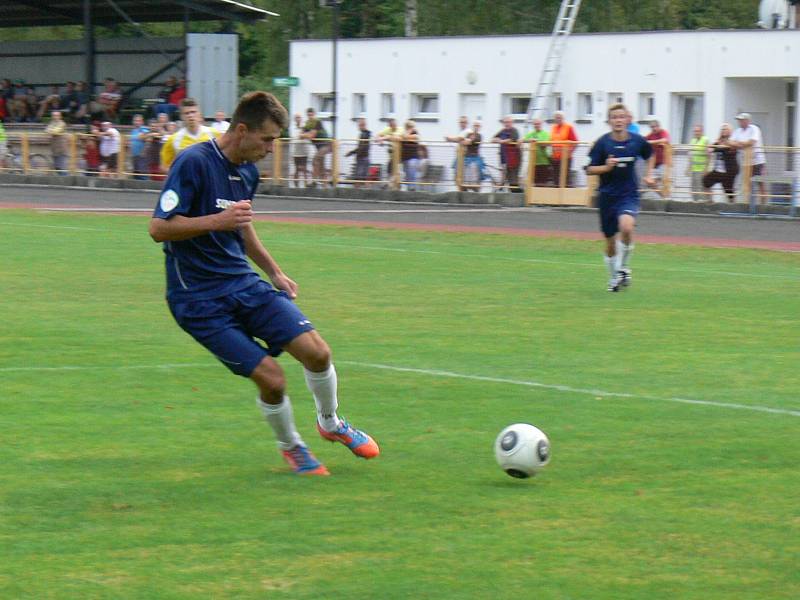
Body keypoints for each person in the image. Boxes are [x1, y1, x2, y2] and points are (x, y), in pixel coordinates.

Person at [148, 91, 379, 475]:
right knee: (273, 378)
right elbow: (158, 228)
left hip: (242, 283)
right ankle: (293, 448)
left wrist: (274, 271)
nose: (272, 149)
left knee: (318, 353)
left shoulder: (249, 172)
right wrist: (214, 222)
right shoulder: (193, 163)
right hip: (198, 299)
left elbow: (242, 226)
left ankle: (331, 423)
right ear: (242, 130)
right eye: (268, 139)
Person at [586, 103, 654, 293]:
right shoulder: (602, 143)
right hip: (607, 196)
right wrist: (606, 167)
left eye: (621, 117)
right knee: (610, 241)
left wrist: (649, 175)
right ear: (609, 121)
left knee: (626, 226)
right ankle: (614, 277)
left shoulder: (637, 141)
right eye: (614, 117)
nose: (618, 120)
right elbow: (589, 168)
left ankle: (623, 268)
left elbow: (650, 155)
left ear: (627, 120)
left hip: (628, 194)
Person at [160, 98, 217, 171]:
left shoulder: (214, 134)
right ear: (181, 116)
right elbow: (164, 166)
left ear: (199, 114)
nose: (190, 115)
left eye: (193, 112)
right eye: (186, 113)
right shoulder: (174, 139)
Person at [729, 112, 767, 204]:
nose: (740, 122)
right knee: (747, 184)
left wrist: (739, 144)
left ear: (748, 121)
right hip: (746, 161)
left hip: (758, 161)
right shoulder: (738, 131)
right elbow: (730, 142)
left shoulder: (754, 129)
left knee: (761, 183)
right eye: (739, 120)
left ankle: (763, 205)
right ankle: (749, 204)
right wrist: (742, 145)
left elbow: (752, 142)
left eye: (742, 120)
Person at [702, 123, 739, 203]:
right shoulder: (718, 142)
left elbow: (726, 148)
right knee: (706, 181)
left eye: (725, 129)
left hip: (729, 171)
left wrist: (714, 149)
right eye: (722, 129)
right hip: (718, 170)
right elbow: (710, 148)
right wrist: (710, 148)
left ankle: (733, 204)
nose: (723, 130)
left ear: (729, 131)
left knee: (728, 189)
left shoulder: (732, 141)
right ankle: (710, 201)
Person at [301, 108, 331, 186]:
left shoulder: (317, 121)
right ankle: (325, 186)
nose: (310, 116)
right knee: (321, 166)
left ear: (314, 114)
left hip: (326, 145)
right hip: (319, 147)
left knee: (315, 160)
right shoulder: (308, 123)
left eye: (311, 114)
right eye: (308, 115)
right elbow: (300, 135)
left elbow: (312, 136)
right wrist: (306, 134)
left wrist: (306, 135)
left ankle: (314, 182)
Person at [491, 116, 522, 192]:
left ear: (512, 123)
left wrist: (502, 141)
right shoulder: (502, 131)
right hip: (504, 157)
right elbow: (493, 139)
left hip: (513, 159)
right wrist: (498, 139)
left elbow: (513, 139)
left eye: (508, 122)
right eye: (505, 122)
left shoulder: (514, 130)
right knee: (506, 177)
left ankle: (518, 193)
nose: (507, 124)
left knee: (513, 178)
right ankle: (503, 190)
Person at [550, 111, 578, 187]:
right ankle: (556, 195)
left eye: (559, 117)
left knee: (565, 178)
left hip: (565, 158)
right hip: (555, 158)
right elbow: (551, 141)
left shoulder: (569, 127)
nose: (558, 119)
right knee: (556, 178)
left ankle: (567, 196)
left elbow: (575, 142)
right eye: (556, 118)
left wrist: (569, 153)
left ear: (563, 118)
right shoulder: (553, 128)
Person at [523, 118, 553, 187]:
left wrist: (536, 141)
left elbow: (544, 145)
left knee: (543, 183)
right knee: (535, 183)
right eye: (535, 124)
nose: (536, 125)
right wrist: (526, 140)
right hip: (533, 163)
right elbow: (523, 139)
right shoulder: (531, 134)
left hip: (544, 162)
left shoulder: (545, 134)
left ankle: (543, 197)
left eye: (538, 124)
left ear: (541, 124)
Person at [462, 121, 491, 191]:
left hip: (475, 158)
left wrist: (468, 141)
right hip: (467, 158)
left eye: (478, 126)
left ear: (480, 127)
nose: (476, 127)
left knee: (475, 177)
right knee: (465, 177)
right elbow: (464, 142)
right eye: (475, 125)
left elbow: (472, 141)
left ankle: (476, 191)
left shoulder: (479, 136)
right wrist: (467, 141)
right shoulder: (468, 134)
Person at [645, 119, 670, 195]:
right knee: (649, 182)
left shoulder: (663, 132)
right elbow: (643, 141)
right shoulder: (650, 135)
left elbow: (665, 140)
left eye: (655, 127)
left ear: (659, 126)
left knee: (664, 180)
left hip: (663, 163)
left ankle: (666, 195)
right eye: (652, 127)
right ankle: (662, 195)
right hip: (653, 164)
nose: (654, 129)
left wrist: (651, 142)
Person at [346, 117, 371, 187]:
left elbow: (362, 147)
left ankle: (357, 191)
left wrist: (352, 152)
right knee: (363, 177)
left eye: (359, 125)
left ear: (362, 125)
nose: (358, 126)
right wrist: (353, 152)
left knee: (359, 177)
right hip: (363, 157)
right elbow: (361, 147)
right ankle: (364, 190)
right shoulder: (365, 134)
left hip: (362, 158)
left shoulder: (365, 134)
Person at [687, 124, 709, 201]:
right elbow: (690, 155)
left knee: (701, 187)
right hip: (694, 169)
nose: (696, 133)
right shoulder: (693, 140)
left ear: (702, 131)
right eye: (695, 131)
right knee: (693, 187)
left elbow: (709, 155)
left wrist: (706, 169)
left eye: (698, 131)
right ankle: (695, 202)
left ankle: (702, 203)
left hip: (701, 169)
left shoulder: (705, 140)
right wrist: (688, 168)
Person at [376, 117, 402, 181]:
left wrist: (382, 138)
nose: (392, 127)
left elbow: (393, 137)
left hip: (400, 155)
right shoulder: (388, 129)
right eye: (391, 125)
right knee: (389, 171)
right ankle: (390, 184)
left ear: (396, 124)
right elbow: (377, 135)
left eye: (393, 125)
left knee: (396, 172)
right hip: (391, 156)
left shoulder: (400, 129)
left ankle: (394, 184)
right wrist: (380, 140)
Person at [290, 113, 311, 188]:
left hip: (304, 149)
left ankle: (306, 185)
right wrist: (301, 136)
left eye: (299, 117)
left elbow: (306, 136)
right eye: (296, 117)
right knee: (297, 168)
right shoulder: (292, 127)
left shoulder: (305, 127)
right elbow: (296, 137)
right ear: (294, 119)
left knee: (304, 168)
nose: (298, 119)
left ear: (301, 119)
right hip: (296, 149)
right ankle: (296, 186)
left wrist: (302, 135)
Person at [129, 114, 151, 180]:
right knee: (135, 174)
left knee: (143, 174)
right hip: (134, 156)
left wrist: (144, 151)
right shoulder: (133, 131)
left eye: (139, 121)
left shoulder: (144, 129)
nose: (137, 122)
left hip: (142, 156)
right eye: (135, 121)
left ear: (142, 122)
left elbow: (147, 137)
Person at [400, 119, 420, 191]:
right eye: (409, 127)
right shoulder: (403, 134)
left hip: (414, 157)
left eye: (412, 127)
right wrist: (405, 135)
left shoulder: (415, 133)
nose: (411, 128)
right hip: (405, 157)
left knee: (412, 167)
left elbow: (415, 137)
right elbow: (400, 137)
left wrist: (406, 135)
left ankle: (412, 187)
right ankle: (409, 188)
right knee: (407, 173)